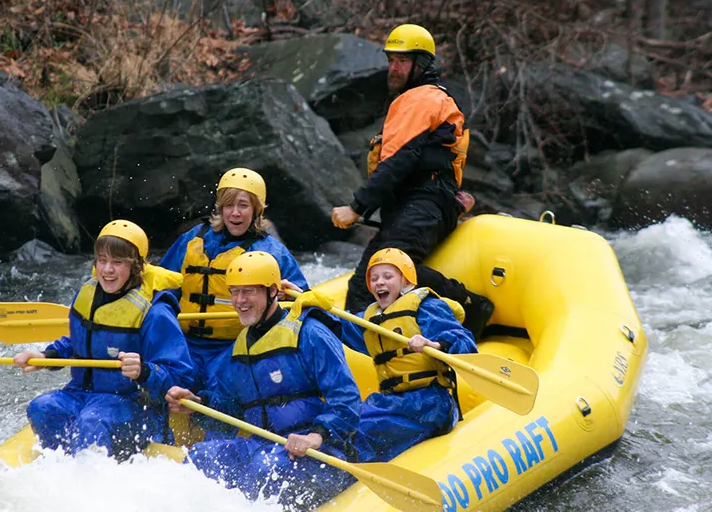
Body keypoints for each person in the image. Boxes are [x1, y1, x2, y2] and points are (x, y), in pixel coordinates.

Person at [165, 252, 369, 508]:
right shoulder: (239, 348)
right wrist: (195, 404)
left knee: (263, 471)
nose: (239, 301)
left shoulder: (310, 332)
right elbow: (229, 408)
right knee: (199, 458)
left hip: (321, 452)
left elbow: (346, 400)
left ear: (273, 291)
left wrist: (316, 436)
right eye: (234, 292)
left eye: (249, 292)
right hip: (264, 448)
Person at [330, 23, 493, 339]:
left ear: (422, 64)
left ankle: (470, 304)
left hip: (425, 202)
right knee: (366, 278)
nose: (394, 68)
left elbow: (399, 161)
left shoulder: (422, 99)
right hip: (418, 203)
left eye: (402, 61)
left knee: (386, 273)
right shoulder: (415, 101)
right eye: (391, 60)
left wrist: (357, 207)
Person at [14, 219, 195, 459]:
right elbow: (77, 343)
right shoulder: (87, 295)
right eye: (102, 260)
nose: (107, 270)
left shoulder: (156, 312)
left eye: (117, 262)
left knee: (92, 421)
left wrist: (144, 370)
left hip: (134, 406)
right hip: (81, 394)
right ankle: (61, 468)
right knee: (43, 408)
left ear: (136, 267)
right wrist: (46, 356)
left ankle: (87, 479)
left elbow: (180, 375)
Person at [160, 168, 309, 386]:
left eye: (243, 205)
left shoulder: (271, 252)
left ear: (257, 209)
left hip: (236, 344)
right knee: (169, 382)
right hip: (185, 342)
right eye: (229, 205)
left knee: (218, 389)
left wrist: (288, 296)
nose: (235, 213)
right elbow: (162, 288)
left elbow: (303, 299)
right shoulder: (192, 240)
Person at [337, 248, 478, 462]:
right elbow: (337, 323)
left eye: (388, 276)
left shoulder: (427, 307)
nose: (380, 283)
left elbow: (464, 343)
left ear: (406, 282)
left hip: (430, 401)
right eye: (374, 279)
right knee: (349, 421)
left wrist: (434, 344)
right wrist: (307, 301)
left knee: (359, 429)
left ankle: (344, 473)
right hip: (393, 401)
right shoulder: (371, 320)